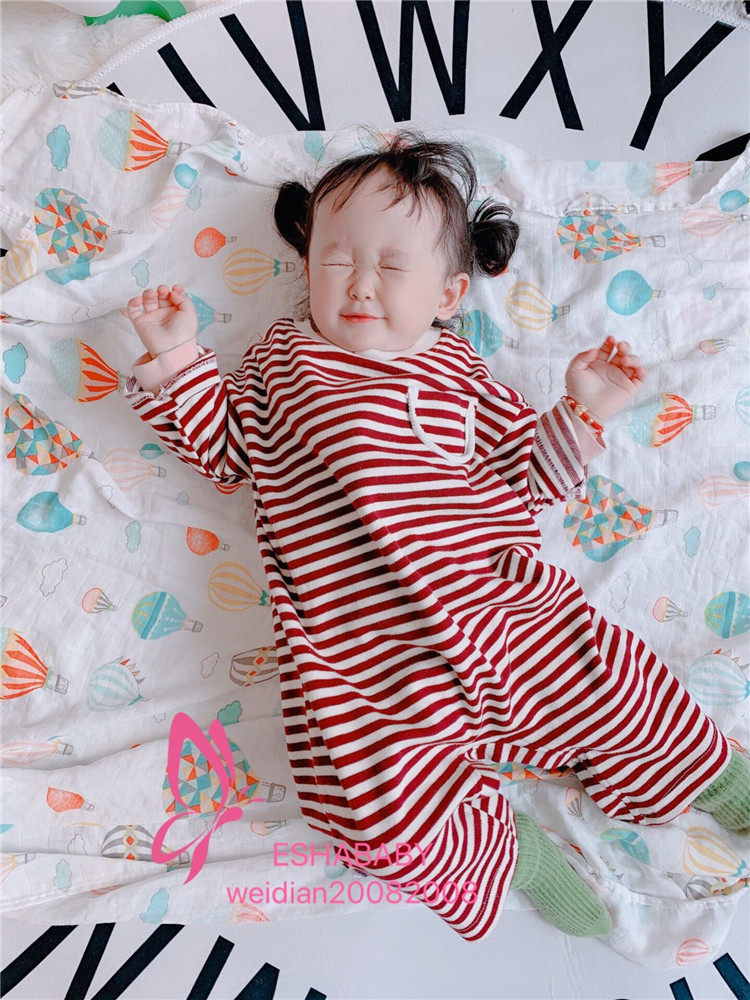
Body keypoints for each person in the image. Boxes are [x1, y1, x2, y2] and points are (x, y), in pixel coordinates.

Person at [121, 127, 749, 943]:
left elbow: (530, 477)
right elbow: (223, 450)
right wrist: (176, 355)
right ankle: (499, 851)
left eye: (392, 266)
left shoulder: (459, 376)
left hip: (497, 612)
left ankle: (715, 776)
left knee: (619, 689)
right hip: (360, 657)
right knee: (365, 814)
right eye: (336, 259)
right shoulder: (279, 366)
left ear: (449, 294)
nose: (360, 283)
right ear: (307, 266)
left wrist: (582, 412)